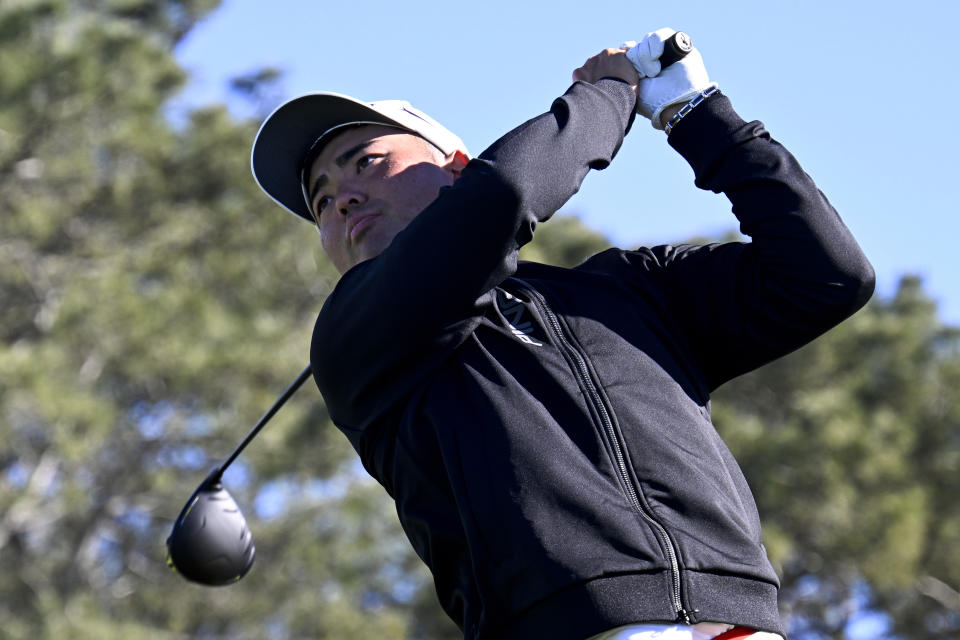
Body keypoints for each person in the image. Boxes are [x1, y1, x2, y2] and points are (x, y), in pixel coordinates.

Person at [250, 28, 874, 640]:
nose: (343, 201)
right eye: (322, 201)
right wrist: (607, 95)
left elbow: (826, 275)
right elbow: (506, 193)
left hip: (741, 622)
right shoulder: (357, 332)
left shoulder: (630, 289)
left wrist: (697, 114)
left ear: (457, 168)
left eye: (368, 162)